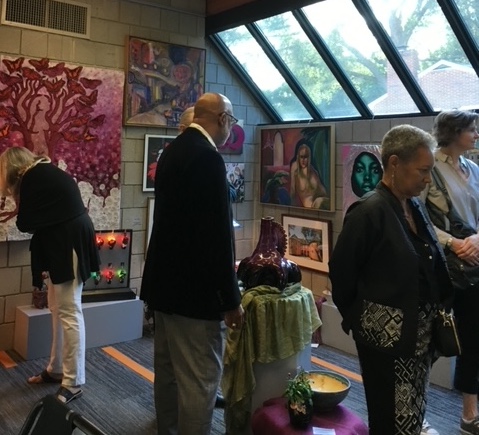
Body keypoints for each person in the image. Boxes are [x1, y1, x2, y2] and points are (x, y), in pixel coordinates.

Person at [329, 124, 454, 435]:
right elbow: (342, 273)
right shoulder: (368, 212)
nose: (427, 180)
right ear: (395, 163)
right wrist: (361, 320)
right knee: (389, 416)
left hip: (417, 338)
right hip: (385, 341)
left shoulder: (413, 205)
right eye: (422, 171)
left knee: (412, 410)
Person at [140, 92, 245, 435]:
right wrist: (229, 299)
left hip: (164, 286)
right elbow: (215, 237)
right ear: (221, 119)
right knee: (201, 380)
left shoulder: (173, 152)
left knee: (168, 374)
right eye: (230, 120)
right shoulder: (208, 159)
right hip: (194, 294)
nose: (230, 128)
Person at [0, 147, 100, 405]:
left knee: (69, 311)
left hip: (69, 242)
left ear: (12, 168)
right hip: (65, 240)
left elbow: (25, 223)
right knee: (59, 308)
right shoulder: (41, 172)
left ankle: (74, 381)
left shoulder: (34, 178)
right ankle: (56, 370)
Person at [421, 110, 479, 435]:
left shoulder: (474, 169)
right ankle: (418, 413)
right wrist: (454, 243)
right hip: (441, 269)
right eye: (471, 129)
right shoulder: (431, 167)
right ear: (454, 132)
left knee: (474, 342)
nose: (476, 135)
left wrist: (475, 240)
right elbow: (416, 217)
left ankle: (470, 416)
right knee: (428, 343)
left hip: (475, 270)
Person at [289, 139, 327, 208]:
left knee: (320, 201)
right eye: (301, 157)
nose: (303, 160)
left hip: (319, 203)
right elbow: (292, 192)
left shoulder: (313, 171)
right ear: (298, 157)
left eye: (305, 157)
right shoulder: (295, 167)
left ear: (309, 158)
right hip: (310, 207)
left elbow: (323, 191)